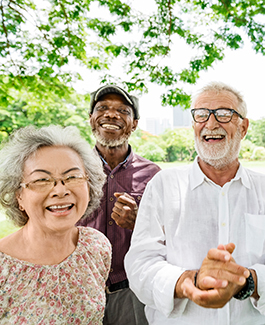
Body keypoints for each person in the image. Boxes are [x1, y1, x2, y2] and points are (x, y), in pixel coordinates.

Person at [125, 81, 265, 324]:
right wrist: (187, 282)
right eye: (201, 114)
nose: (211, 123)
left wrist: (248, 281)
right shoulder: (163, 185)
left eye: (224, 114)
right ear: (193, 125)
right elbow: (140, 264)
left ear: (243, 127)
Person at [0, 125, 111, 324]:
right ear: (18, 196)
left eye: (72, 177)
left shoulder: (96, 246)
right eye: (42, 180)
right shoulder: (3, 267)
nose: (60, 190)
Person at [77, 84, 161, 324]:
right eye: (102, 108)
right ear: (91, 119)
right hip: (80, 286)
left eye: (122, 110)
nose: (111, 114)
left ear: (134, 123)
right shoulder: (72, 169)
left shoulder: (154, 174)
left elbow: (170, 237)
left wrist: (139, 222)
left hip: (132, 291)